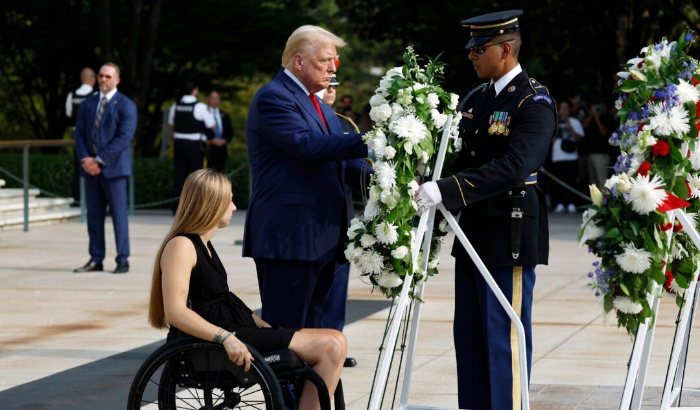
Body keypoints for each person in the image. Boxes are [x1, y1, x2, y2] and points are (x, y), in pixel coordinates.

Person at [414, 10, 556, 410]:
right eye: (471, 47)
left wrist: (447, 189)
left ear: (505, 48)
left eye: (479, 48)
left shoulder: (533, 100)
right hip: (474, 230)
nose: (471, 55)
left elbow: (516, 165)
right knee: (472, 333)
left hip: (508, 231)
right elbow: (463, 156)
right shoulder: (479, 98)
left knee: (502, 334)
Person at [148, 169, 346, 410]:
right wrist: (225, 337)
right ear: (212, 204)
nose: (234, 207)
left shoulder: (204, 244)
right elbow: (175, 312)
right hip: (219, 341)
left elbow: (224, 299)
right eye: (229, 200)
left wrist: (262, 325)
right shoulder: (182, 245)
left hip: (238, 330)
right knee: (331, 346)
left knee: (337, 339)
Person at [243, 25, 369, 335]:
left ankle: (310, 387)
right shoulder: (274, 96)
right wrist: (374, 139)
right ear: (298, 61)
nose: (333, 68)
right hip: (291, 239)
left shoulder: (318, 105)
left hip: (321, 237)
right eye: (325, 60)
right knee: (287, 335)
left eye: (334, 60)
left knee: (315, 336)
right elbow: (307, 145)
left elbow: (343, 162)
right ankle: (288, 387)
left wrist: (391, 183)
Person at [319, 73, 365, 368]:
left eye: (334, 86)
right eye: (327, 85)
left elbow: (357, 167)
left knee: (336, 291)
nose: (331, 90)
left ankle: (334, 345)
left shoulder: (344, 124)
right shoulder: (313, 121)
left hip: (340, 217)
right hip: (316, 217)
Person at [73, 62, 137, 274]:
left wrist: (99, 160)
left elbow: (123, 138)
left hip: (114, 170)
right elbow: (79, 133)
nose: (103, 80)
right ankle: (96, 258)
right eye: (101, 76)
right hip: (90, 169)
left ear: (117, 79)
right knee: (94, 216)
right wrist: (85, 159)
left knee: (119, 216)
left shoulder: (126, 105)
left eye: (108, 76)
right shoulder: (88, 103)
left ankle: (123, 259)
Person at [168, 80, 215, 212]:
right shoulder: (200, 107)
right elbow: (212, 125)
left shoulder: (175, 105)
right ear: (194, 90)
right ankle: (198, 207)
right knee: (198, 176)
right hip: (195, 146)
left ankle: (177, 207)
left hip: (179, 145)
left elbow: (171, 124)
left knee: (179, 176)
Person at [65, 67, 96, 207]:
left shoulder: (72, 95)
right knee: (94, 166)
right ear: (93, 79)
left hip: (77, 133)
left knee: (78, 166)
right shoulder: (96, 95)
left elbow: (69, 114)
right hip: (92, 135)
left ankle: (78, 199)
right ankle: (92, 200)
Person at [550, 100, 584, 214]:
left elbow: (579, 138)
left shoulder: (575, 122)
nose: (564, 111)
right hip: (557, 156)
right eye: (562, 108)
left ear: (569, 110)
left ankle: (572, 203)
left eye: (566, 108)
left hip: (571, 157)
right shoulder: (554, 122)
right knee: (558, 181)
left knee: (571, 181)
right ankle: (560, 203)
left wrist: (570, 128)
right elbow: (551, 140)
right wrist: (557, 128)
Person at [580, 96, 616, 190]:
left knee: (602, 182)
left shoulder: (608, 117)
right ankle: (595, 203)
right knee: (593, 184)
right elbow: (583, 128)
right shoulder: (591, 117)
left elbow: (604, 132)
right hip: (590, 153)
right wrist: (592, 115)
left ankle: (604, 204)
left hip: (602, 155)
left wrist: (597, 118)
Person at [206, 90, 233, 172]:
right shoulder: (204, 113)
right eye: (212, 98)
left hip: (222, 149)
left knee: (221, 173)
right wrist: (212, 139)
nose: (214, 100)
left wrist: (224, 140)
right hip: (208, 148)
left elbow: (230, 131)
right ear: (208, 99)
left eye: (217, 98)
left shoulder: (225, 115)